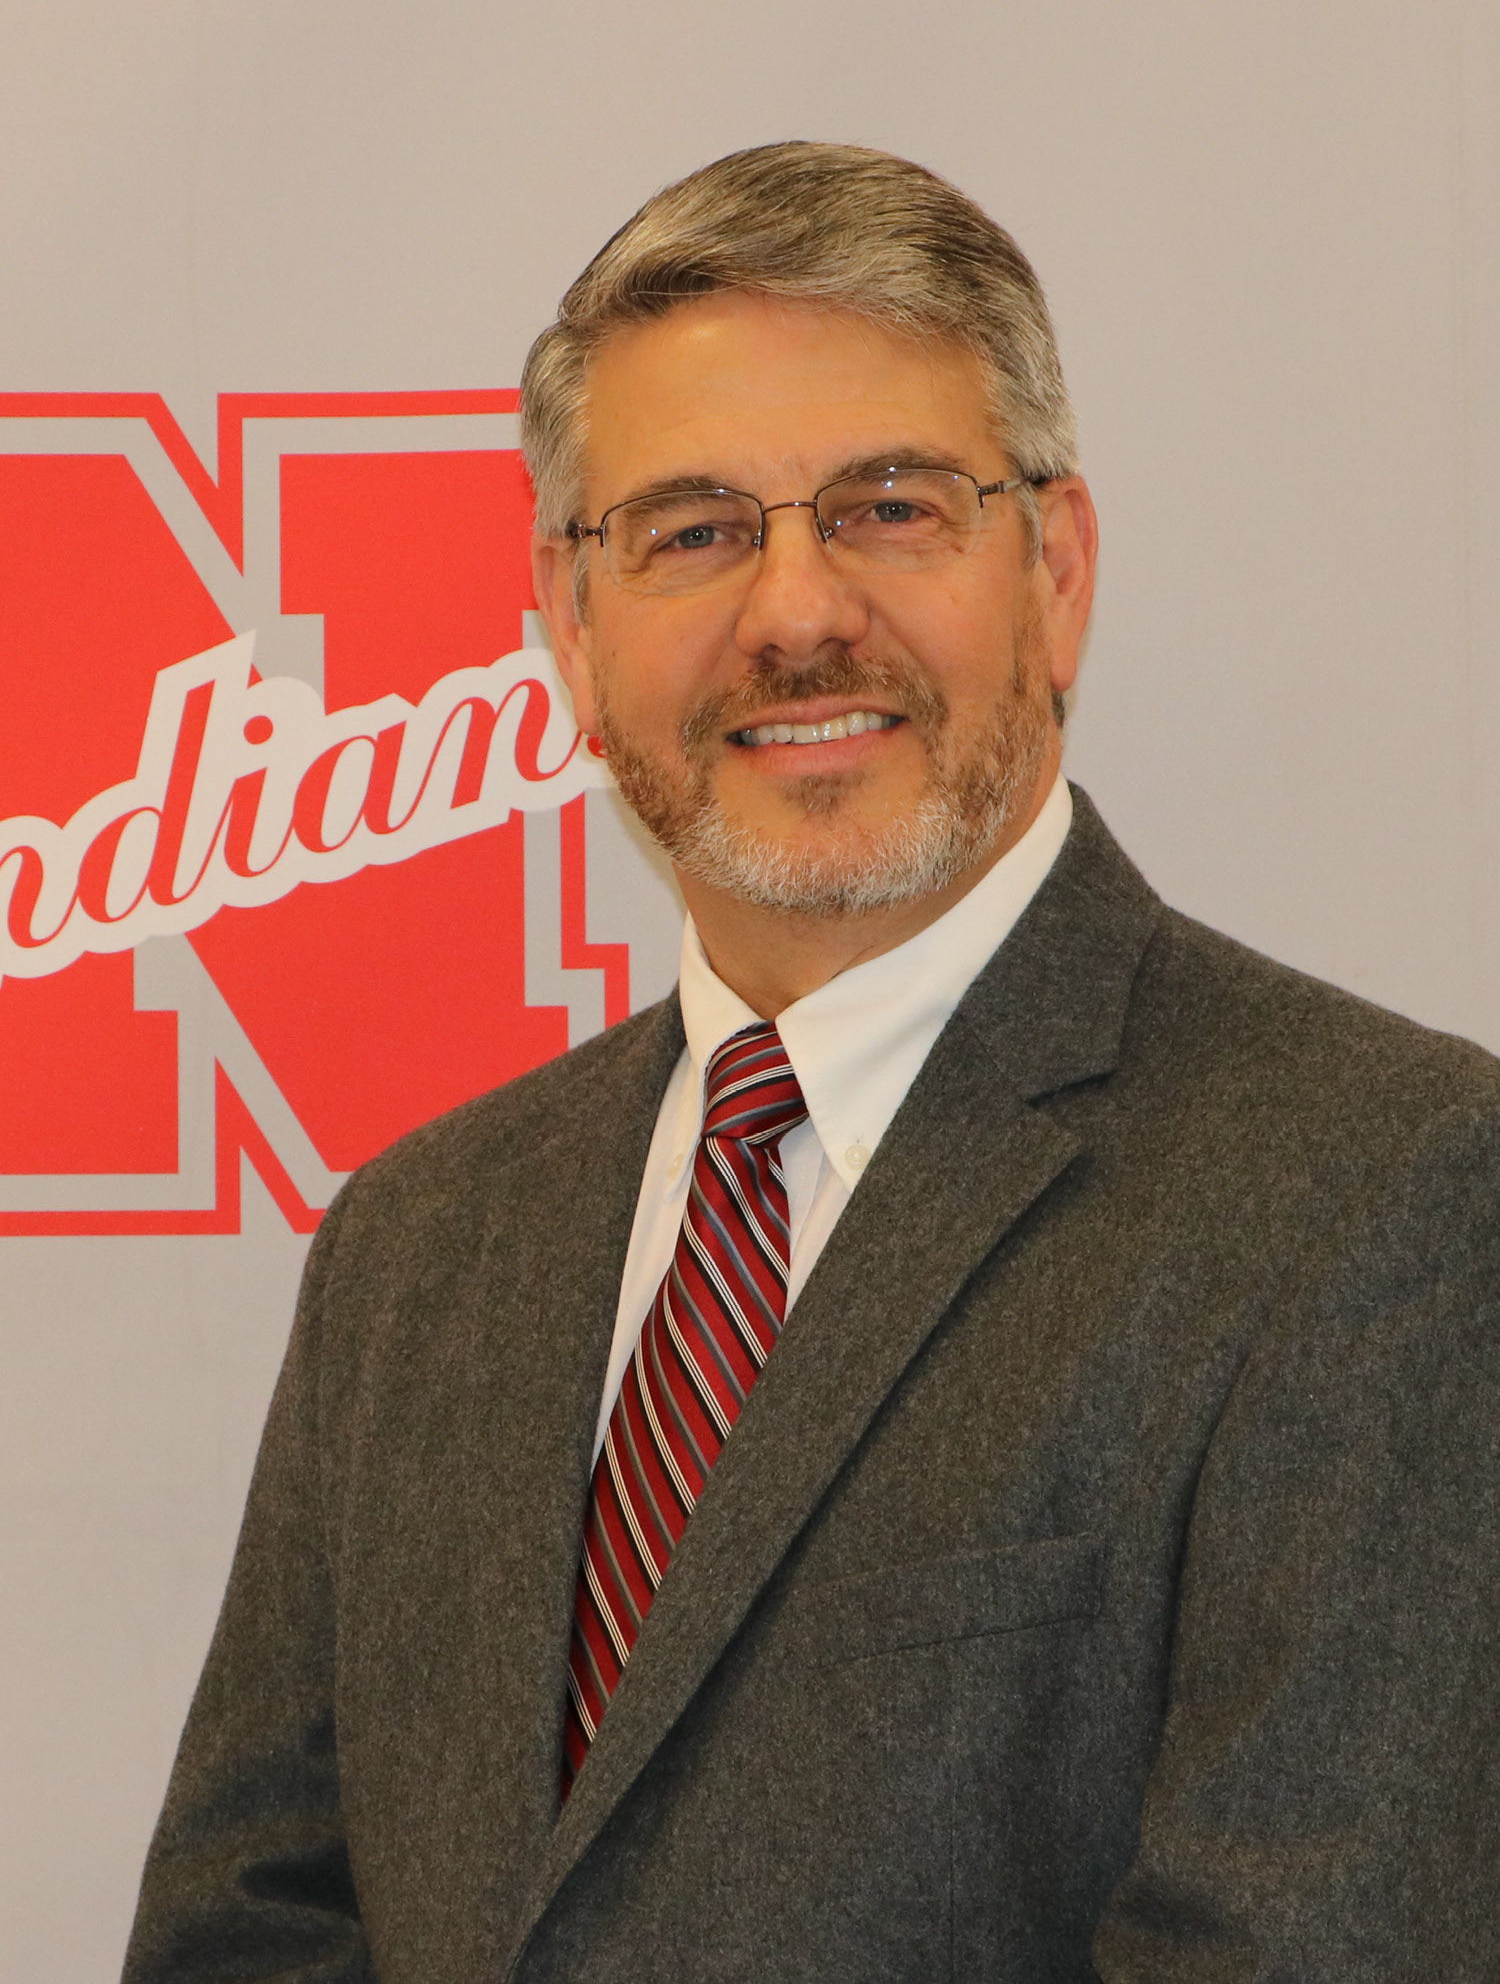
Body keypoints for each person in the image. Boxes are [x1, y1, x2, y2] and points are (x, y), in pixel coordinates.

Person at [123, 142, 1500, 1983]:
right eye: (692, 530)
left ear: (1058, 569)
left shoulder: (1382, 1193)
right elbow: (246, 1930)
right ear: (571, 630)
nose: (795, 614)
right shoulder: (417, 1243)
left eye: (889, 506)